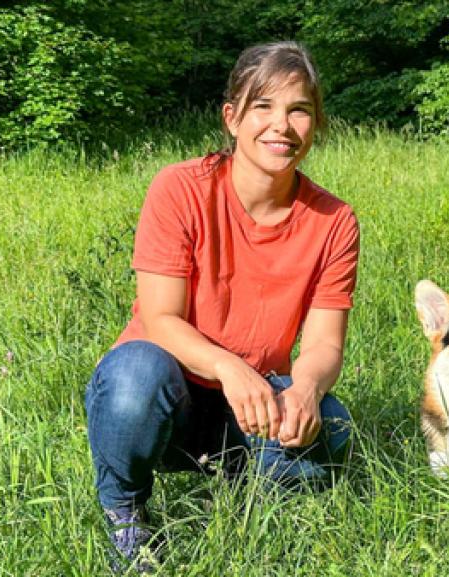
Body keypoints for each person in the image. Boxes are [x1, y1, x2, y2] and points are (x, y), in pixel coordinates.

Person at [84, 41, 359, 573]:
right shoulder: (181, 188)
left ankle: (251, 494)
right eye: (264, 107)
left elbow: (325, 343)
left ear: (316, 124)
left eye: (299, 110)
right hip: (169, 390)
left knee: (334, 424)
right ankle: (125, 510)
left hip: (252, 406)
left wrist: (304, 388)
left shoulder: (334, 221)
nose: (282, 125)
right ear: (232, 118)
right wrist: (229, 366)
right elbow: (160, 318)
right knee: (134, 376)